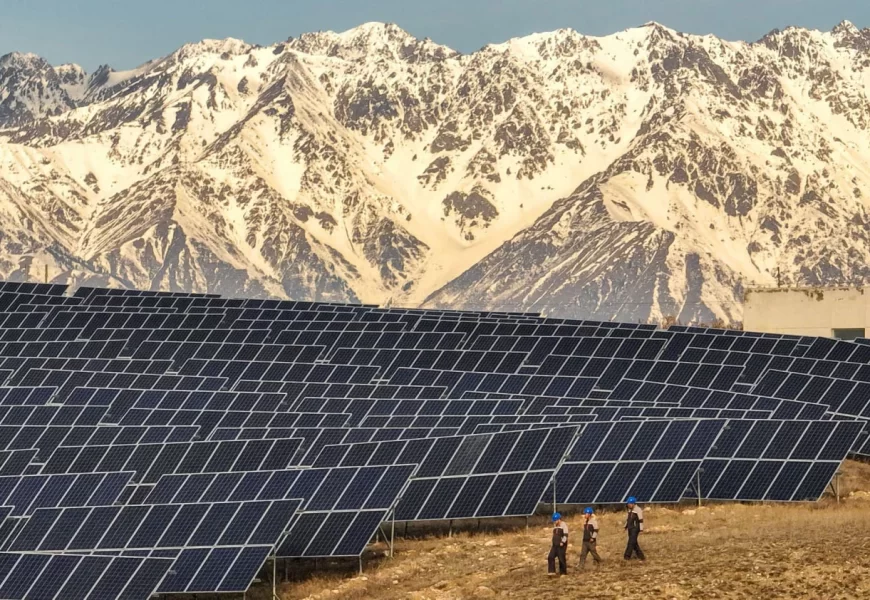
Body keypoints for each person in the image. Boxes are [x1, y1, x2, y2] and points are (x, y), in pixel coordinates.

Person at [624, 496, 645, 561]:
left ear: (633, 503)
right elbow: (628, 519)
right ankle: (641, 557)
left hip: (635, 528)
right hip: (630, 528)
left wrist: (641, 528)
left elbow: (641, 520)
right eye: (628, 504)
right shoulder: (630, 510)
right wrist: (625, 526)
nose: (628, 505)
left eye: (629, 504)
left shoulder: (638, 510)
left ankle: (627, 556)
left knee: (631, 542)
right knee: (634, 543)